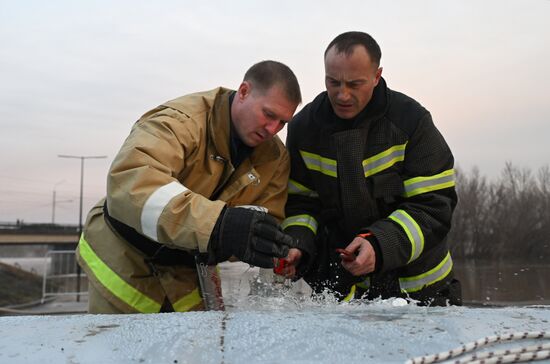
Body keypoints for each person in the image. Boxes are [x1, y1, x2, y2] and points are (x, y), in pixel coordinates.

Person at [76, 60, 302, 313]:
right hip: (125, 263)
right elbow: (132, 183)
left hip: (189, 271)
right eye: (269, 115)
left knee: (191, 351)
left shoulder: (275, 157)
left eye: (283, 122)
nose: (273, 129)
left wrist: (275, 246)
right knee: (118, 350)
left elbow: (263, 220)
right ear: (243, 92)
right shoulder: (181, 121)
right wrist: (217, 225)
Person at [282, 32, 461, 306]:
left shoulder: (412, 122)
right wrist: (297, 244)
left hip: (423, 292)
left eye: (355, 84)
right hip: (344, 295)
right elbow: (299, 205)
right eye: (333, 82)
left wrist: (380, 244)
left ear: (376, 76)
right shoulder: (303, 129)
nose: (342, 94)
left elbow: (434, 207)